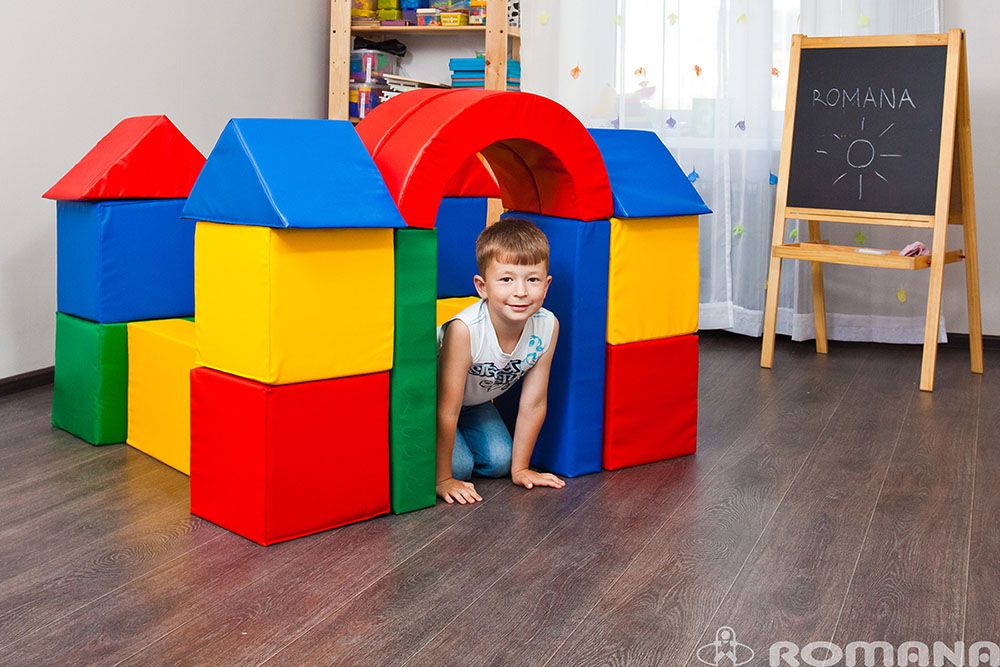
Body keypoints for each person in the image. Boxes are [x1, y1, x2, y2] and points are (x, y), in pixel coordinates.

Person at [436, 217, 566, 504]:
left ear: (546, 285)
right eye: (506, 279)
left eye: (532, 280)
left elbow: (534, 403)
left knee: (499, 462)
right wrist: (443, 478)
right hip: (436, 404)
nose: (520, 291)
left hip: (475, 403)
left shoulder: (547, 326)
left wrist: (521, 469)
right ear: (482, 286)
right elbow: (446, 407)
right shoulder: (465, 330)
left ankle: (467, 447)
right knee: (459, 468)